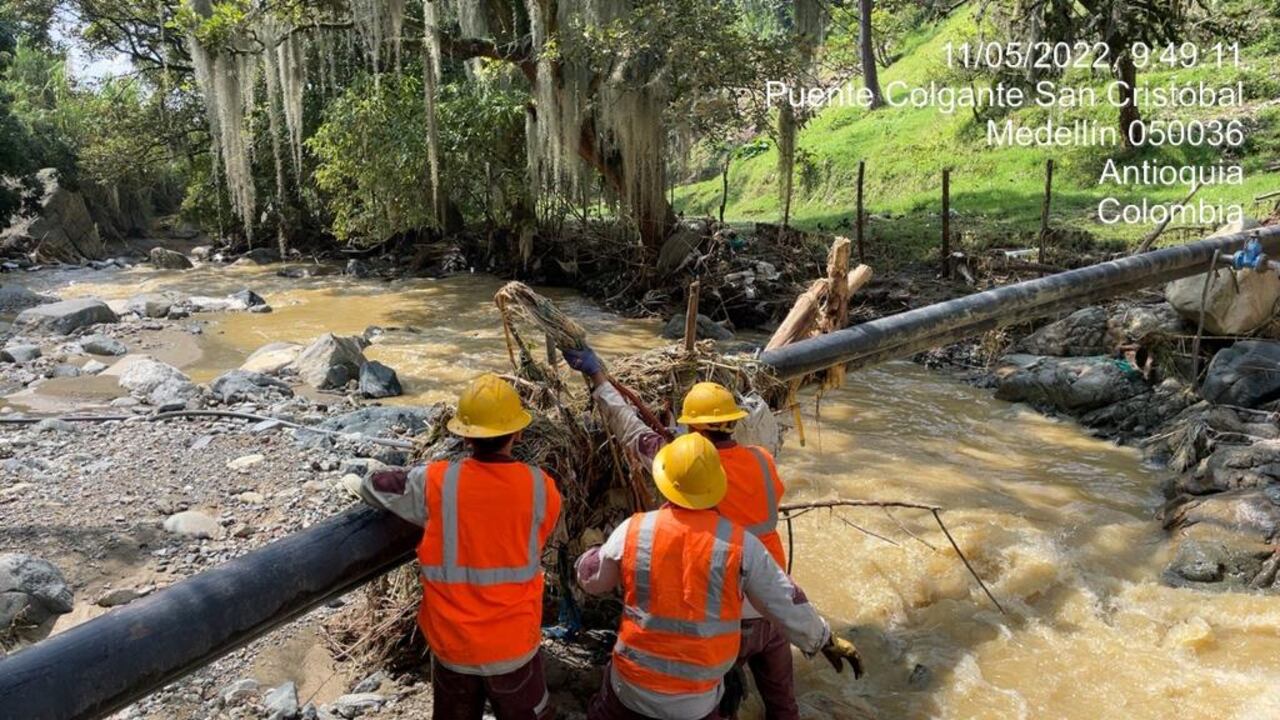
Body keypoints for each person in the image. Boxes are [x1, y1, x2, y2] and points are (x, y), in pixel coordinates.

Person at [563, 347, 803, 718]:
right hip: (770, 607)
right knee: (783, 704)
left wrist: (599, 380)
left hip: (721, 618)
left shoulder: (673, 459)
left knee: (711, 693)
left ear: (691, 427)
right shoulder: (762, 459)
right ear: (732, 423)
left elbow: (629, 428)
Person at [576, 433, 862, 720]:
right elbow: (785, 599)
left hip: (631, 688)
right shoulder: (741, 545)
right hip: (696, 700)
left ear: (665, 485)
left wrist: (589, 552)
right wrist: (824, 639)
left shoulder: (634, 530)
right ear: (716, 487)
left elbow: (591, 580)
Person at [350, 373, 562, 720]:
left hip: (454, 646)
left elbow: (373, 485)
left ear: (463, 437)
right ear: (518, 433)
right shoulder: (542, 488)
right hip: (513, 646)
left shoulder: (437, 481)